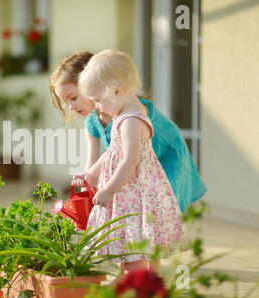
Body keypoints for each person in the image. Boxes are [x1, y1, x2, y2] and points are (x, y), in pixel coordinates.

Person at [71, 49, 189, 274]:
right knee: (136, 239)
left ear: (116, 90)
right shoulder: (122, 116)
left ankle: (138, 285)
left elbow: (129, 161)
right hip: (130, 192)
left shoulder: (131, 121)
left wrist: (108, 190)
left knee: (133, 240)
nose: (96, 107)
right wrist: (92, 174)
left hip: (133, 192)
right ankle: (145, 284)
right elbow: (113, 152)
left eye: (98, 101)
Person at [49, 51, 206, 214]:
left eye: (73, 97)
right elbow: (95, 163)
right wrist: (85, 200)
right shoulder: (92, 123)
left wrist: (108, 189)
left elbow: (130, 158)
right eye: (66, 102)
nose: (71, 107)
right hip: (135, 163)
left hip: (165, 156)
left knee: (163, 209)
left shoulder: (131, 114)